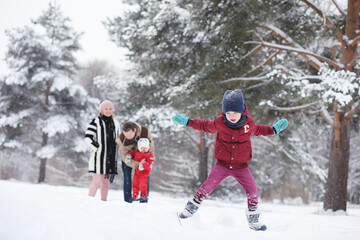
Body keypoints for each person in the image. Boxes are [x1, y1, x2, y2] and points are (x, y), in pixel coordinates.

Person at [172, 89, 288, 231]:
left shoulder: (248, 124)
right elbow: (204, 125)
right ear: (224, 113)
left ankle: (253, 220)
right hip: (223, 165)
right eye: (228, 113)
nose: (232, 116)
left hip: (241, 167)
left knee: (253, 190)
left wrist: (274, 129)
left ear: (242, 111)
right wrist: (187, 121)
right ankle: (189, 210)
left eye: (235, 113)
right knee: (207, 186)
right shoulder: (220, 123)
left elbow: (259, 130)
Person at [84, 100, 121, 201]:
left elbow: (119, 138)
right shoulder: (96, 122)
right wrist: (97, 147)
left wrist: (119, 143)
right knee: (96, 181)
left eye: (110, 109)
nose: (108, 111)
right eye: (106, 109)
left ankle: (103, 202)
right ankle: (89, 201)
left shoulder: (116, 123)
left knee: (105, 183)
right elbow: (87, 138)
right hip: (98, 158)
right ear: (102, 110)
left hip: (111, 157)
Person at [119, 121, 155, 203]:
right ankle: (128, 199)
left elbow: (151, 148)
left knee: (144, 178)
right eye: (125, 135)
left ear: (134, 130)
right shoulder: (122, 137)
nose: (127, 137)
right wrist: (138, 164)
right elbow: (124, 156)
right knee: (127, 178)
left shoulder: (145, 132)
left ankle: (144, 198)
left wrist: (148, 162)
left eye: (129, 135)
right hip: (129, 158)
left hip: (143, 157)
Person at [125, 138, 155, 203]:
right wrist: (128, 157)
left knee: (143, 184)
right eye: (142, 148)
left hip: (144, 173)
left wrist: (143, 165)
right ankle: (135, 195)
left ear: (148, 148)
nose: (143, 149)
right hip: (137, 172)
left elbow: (150, 165)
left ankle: (144, 196)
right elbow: (131, 153)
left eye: (145, 148)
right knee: (135, 183)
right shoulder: (137, 152)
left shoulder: (149, 155)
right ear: (139, 147)